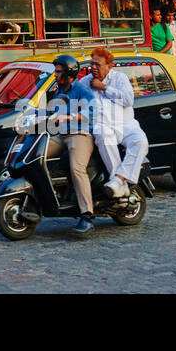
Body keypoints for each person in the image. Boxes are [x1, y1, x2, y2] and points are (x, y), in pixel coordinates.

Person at [82, 47, 149, 198]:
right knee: (103, 135)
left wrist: (104, 88)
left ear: (109, 66)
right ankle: (120, 184)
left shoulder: (119, 79)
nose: (93, 67)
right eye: (91, 64)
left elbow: (128, 100)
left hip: (125, 125)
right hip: (102, 126)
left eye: (97, 65)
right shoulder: (85, 82)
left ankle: (118, 180)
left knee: (141, 141)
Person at [48, 54, 100, 234]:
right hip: (61, 135)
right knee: (36, 155)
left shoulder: (81, 90)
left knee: (77, 168)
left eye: (58, 72)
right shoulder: (58, 91)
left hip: (80, 134)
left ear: (69, 73)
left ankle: (86, 214)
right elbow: (53, 113)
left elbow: (92, 111)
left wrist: (69, 116)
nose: (55, 75)